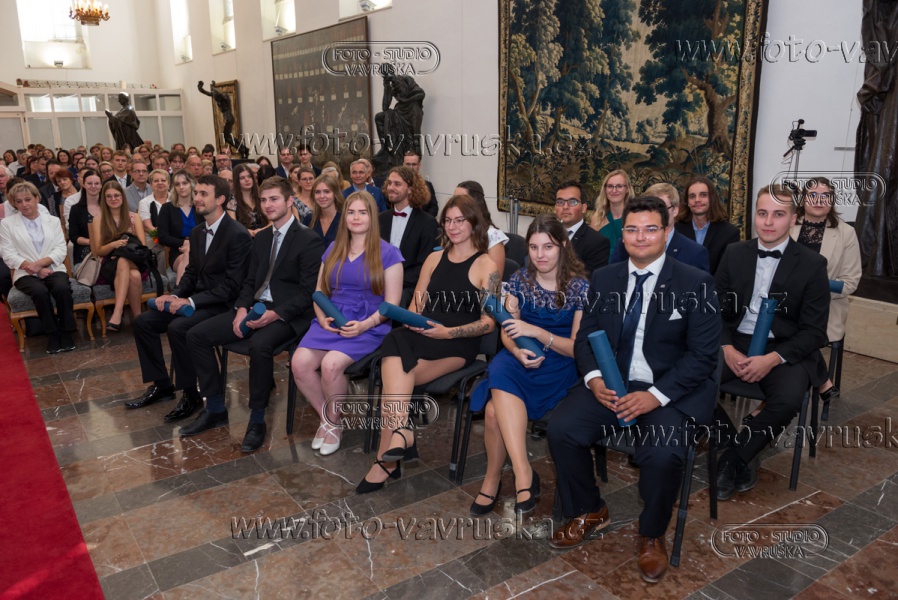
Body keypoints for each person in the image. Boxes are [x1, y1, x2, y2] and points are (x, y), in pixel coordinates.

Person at [547, 196, 720, 584]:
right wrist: (594, 380)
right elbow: (585, 337)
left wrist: (654, 397)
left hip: (669, 389)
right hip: (612, 383)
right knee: (562, 428)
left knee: (662, 453)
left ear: (666, 232)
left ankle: (652, 533)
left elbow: (703, 357)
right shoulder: (605, 278)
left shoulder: (695, 282)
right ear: (622, 235)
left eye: (650, 229)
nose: (641, 237)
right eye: (632, 229)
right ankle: (590, 509)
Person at [357, 194, 499, 494]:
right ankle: (399, 435)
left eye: (460, 220)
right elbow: (417, 305)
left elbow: (489, 323)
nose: (453, 226)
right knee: (397, 342)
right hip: (421, 337)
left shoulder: (487, 266)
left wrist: (448, 333)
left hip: (457, 344)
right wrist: (412, 320)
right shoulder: (434, 259)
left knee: (393, 374)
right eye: (447, 220)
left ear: (474, 223)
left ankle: (388, 458)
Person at [185, 177, 323, 449]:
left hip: (289, 314)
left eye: (274, 199)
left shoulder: (309, 239)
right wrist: (240, 309)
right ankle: (215, 408)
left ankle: (257, 419)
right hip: (254, 306)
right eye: (263, 200)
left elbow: (307, 293)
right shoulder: (260, 238)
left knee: (259, 345)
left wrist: (275, 315)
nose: (268, 205)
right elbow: (249, 281)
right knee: (196, 335)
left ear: (290, 201)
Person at [714, 185, 830, 501]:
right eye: (762, 213)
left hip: (784, 347)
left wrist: (772, 358)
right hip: (734, 340)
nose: (768, 222)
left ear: (793, 219)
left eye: (778, 214)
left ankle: (733, 459)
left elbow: (814, 331)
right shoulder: (734, 253)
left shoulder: (812, 264)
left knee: (788, 400)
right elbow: (714, 311)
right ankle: (740, 444)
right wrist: (726, 347)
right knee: (689, 382)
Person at [470, 215, 588, 515]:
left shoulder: (580, 288)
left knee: (493, 412)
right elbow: (507, 331)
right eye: (534, 247)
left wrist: (538, 333)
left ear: (563, 246)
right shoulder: (520, 280)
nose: (540, 255)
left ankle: (495, 478)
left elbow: (576, 349)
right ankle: (522, 471)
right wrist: (517, 349)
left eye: (548, 247)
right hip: (519, 357)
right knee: (501, 366)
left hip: (558, 364)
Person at [127, 175, 252, 420]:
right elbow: (192, 273)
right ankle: (162, 385)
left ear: (221, 199)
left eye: (204, 194)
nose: (197, 198)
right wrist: (174, 295)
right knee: (143, 322)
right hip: (197, 300)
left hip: (222, 305)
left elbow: (232, 286)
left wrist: (191, 301)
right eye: (197, 193)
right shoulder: (197, 232)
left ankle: (191, 394)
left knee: (178, 327)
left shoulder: (237, 234)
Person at [293, 191, 404, 455]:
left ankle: (333, 424)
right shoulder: (333, 248)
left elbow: (391, 306)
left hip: (369, 324)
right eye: (351, 212)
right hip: (332, 317)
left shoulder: (389, 253)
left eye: (362, 212)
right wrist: (322, 317)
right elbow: (319, 291)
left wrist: (365, 325)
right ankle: (330, 419)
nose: (355, 217)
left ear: (372, 217)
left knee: (331, 365)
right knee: (299, 364)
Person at [791, 177, 861, 399]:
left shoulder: (845, 233)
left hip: (824, 308)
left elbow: (850, 283)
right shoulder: (787, 224)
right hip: (785, 302)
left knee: (789, 331)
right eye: (812, 195)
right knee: (787, 327)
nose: (819, 200)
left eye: (825, 196)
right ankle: (822, 380)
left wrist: (814, 288)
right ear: (803, 199)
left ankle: (770, 402)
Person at [0, 182, 77, 353]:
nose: (24, 204)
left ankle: (66, 331)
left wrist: (40, 264)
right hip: (24, 272)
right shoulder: (7, 224)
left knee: (62, 288)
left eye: (28, 199)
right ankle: (52, 333)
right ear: (14, 204)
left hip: (53, 267)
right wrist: (35, 268)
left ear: (37, 198)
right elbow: (8, 254)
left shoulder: (53, 221)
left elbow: (60, 248)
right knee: (39, 291)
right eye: (19, 201)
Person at [610, 183, 711, 272]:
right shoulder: (625, 245)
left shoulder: (694, 253)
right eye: (648, 209)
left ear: (675, 210)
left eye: (661, 208)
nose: (655, 215)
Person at [89, 181, 147, 331]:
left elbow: (142, 247)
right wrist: (114, 245)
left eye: (116, 195)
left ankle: (117, 312)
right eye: (109, 196)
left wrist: (130, 239)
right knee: (133, 275)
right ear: (104, 199)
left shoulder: (134, 217)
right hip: (110, 264)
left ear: (122, 197)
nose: (113, 199)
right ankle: (139, 319)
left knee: (124, 261)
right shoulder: (99, 219)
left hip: (135, 259)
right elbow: (99, 251)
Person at [379, 166, 439, 306]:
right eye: (389, 183)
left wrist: (392, 280)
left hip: (410, 289)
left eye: (397, 184)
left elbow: (425, 265)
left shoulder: (427, 223)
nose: (391, 187)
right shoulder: (380, 219)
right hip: (378, 285)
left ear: (411, 189)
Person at [675, 176, 741, 274]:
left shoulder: (730, 233)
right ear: (687, 202)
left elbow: (728, 272)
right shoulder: (676, 230)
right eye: (692, 196)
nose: (697, 200)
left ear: (712, 199)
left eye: (703, 195)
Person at [554, 180, 610, 276]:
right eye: (560, 202)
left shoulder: (597, 242)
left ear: (584, 208)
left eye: (572, 202)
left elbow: (593, 280)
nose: (565, 207)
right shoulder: (546, 234)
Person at [456, 180, 508, 278]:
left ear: (475, 202)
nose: (455, 203)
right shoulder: (453, 230)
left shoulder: (492, 236)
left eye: (461, 199)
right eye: (454, 199)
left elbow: (494, 280)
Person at [157, 170, 196, 284]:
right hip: (178, 253)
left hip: (200, 249)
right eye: (177, 184)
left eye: (184, 183)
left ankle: (179, 291)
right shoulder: (167, 208)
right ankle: (180, 291)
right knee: (187, 256)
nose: (181, 187)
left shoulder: (200, 207)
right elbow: (162, 237)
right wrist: (184, 243)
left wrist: (192, 244)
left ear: (192, 184)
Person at [589, 169, 633, 249]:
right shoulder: (597, 219)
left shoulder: (634, 217)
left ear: (627, 189)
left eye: (619, 186)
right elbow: (592, 249)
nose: (614, 190)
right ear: (605, 189)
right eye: (610, 186)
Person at [67, 170, 102, 267]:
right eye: (89, 183)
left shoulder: (108, 207)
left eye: (97, 183)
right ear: (84, 185)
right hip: (85, 252)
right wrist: (92, 242)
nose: (93, 186)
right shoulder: (76, 209)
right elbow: (73, 236)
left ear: (101, 185)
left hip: (107, 249)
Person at [229, 163, 268, 236]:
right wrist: (252, 233)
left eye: (249, 176)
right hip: (243, 238)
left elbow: (272, 220)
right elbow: (233, 226)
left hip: (265, 235)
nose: (247, 180)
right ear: (236, 181)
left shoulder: (261, 197)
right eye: (242, 178)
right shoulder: (231, 201)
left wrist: (262, 231)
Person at [303, 175, 343, 246]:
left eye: (327, 192)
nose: (322, 196)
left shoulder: (345, 219)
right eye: (317, 192)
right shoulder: (309, 220)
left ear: (335, 194)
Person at [403, 151, 439, 217]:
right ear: (403, 165)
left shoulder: (428, 186)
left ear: (419, 165)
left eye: (414, 164)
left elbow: (434, 208)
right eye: (408, 164)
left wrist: (423, 220)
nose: (411, 167)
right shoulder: (395, 185)